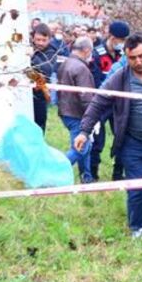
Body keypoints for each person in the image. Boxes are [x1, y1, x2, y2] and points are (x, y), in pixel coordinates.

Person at [75, 32, 142, 238]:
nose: (138, 61)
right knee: (136, 187)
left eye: (141, 56)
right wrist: (84, 130)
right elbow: (98, 102)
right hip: (133, 143)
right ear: (126, 56)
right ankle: (138, 228)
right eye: (132, 58)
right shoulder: (120, 77)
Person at [90, 20, 130, 181]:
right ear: (111, 37)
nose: (120, 43)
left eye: (123, 40)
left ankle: (118, 173)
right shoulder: (97, 54)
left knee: (122, 137)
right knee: (97, 138)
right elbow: (95, 80)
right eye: (118, 39)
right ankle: (92, 174)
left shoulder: (125, 56)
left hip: (119, 103)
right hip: (102, 103)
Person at [57, 37, 96, 184]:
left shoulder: (65, 64)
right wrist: (92, 116)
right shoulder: (81, 68)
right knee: (81, 147)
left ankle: (86, 177)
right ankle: (56, 171)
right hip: (77, 113)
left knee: (85, 145)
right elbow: (86, 96)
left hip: (65, 110)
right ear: (86, 50)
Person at [30, 22, 58, 133]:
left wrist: (32, 57)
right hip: (24, 93)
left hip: (40, 94)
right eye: (38, 39)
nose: (40, 43)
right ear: (33, 38)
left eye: (43, 40)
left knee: (39, 126)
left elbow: (47, 69)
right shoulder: (27, 46)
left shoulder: (52, 52)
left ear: (49, 39)